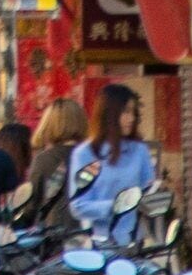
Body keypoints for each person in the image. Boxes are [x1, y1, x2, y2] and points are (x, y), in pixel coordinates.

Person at [66, 85, 158, 244]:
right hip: (99, 242)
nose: (131, 119)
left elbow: (148, 191)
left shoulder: (139, 151)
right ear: (109, 114)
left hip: (134, 242)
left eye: (133, 112)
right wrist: (116, 206)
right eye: (125, 112)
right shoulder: (85, 153)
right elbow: (78, 205)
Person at [22, 96, 91, 223]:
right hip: (90, 231)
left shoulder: (44, 160)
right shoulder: (93, 157)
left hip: (56, 232)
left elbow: (31, 204)